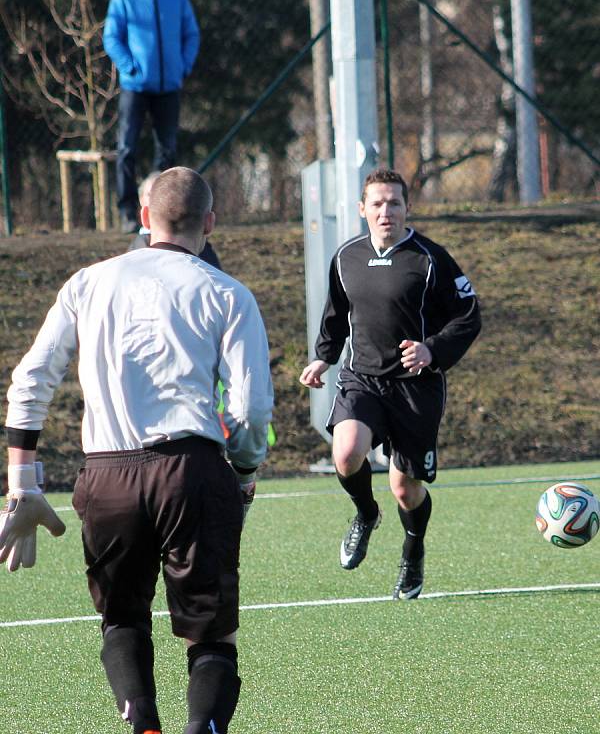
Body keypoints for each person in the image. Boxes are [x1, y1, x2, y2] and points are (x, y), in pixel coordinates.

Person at [1, 167, 273, 734]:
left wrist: (22, 484)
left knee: (122, 619)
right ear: (211, 223)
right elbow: (251, 412)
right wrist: (242, 471)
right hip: (192, 472)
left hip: (107, 477)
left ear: (144, 218)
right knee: (211, 634)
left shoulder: (87, 282)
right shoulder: (227, 293)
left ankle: (144, 727)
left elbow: (29, 382)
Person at [299, 167, 481, 600]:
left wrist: (432, 349)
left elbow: (468, 316)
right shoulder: (346, 257)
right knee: (345, 454)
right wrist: (324, 357)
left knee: (406, 488)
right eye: (377, 204)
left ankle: (413, 550)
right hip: (362, 379)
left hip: (416, 388)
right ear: (362, 209)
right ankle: (365, 513)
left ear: (407, 208)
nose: (386, 212)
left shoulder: (431, 258)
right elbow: (336, 313)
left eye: (394, 203)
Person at [104, 0, 201, 233]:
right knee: (127, 149)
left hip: (169, 86)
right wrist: (130, 66)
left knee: (167, 151)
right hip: (135, 86)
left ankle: (168, 214)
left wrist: (182, 66)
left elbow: (191, 35)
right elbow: (112, 38)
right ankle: (128, 213)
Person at [129, 171, 221, 268]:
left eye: (165, 194)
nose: (162, 200)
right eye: (151, 195)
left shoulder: (115, 273)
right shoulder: (220, 282)